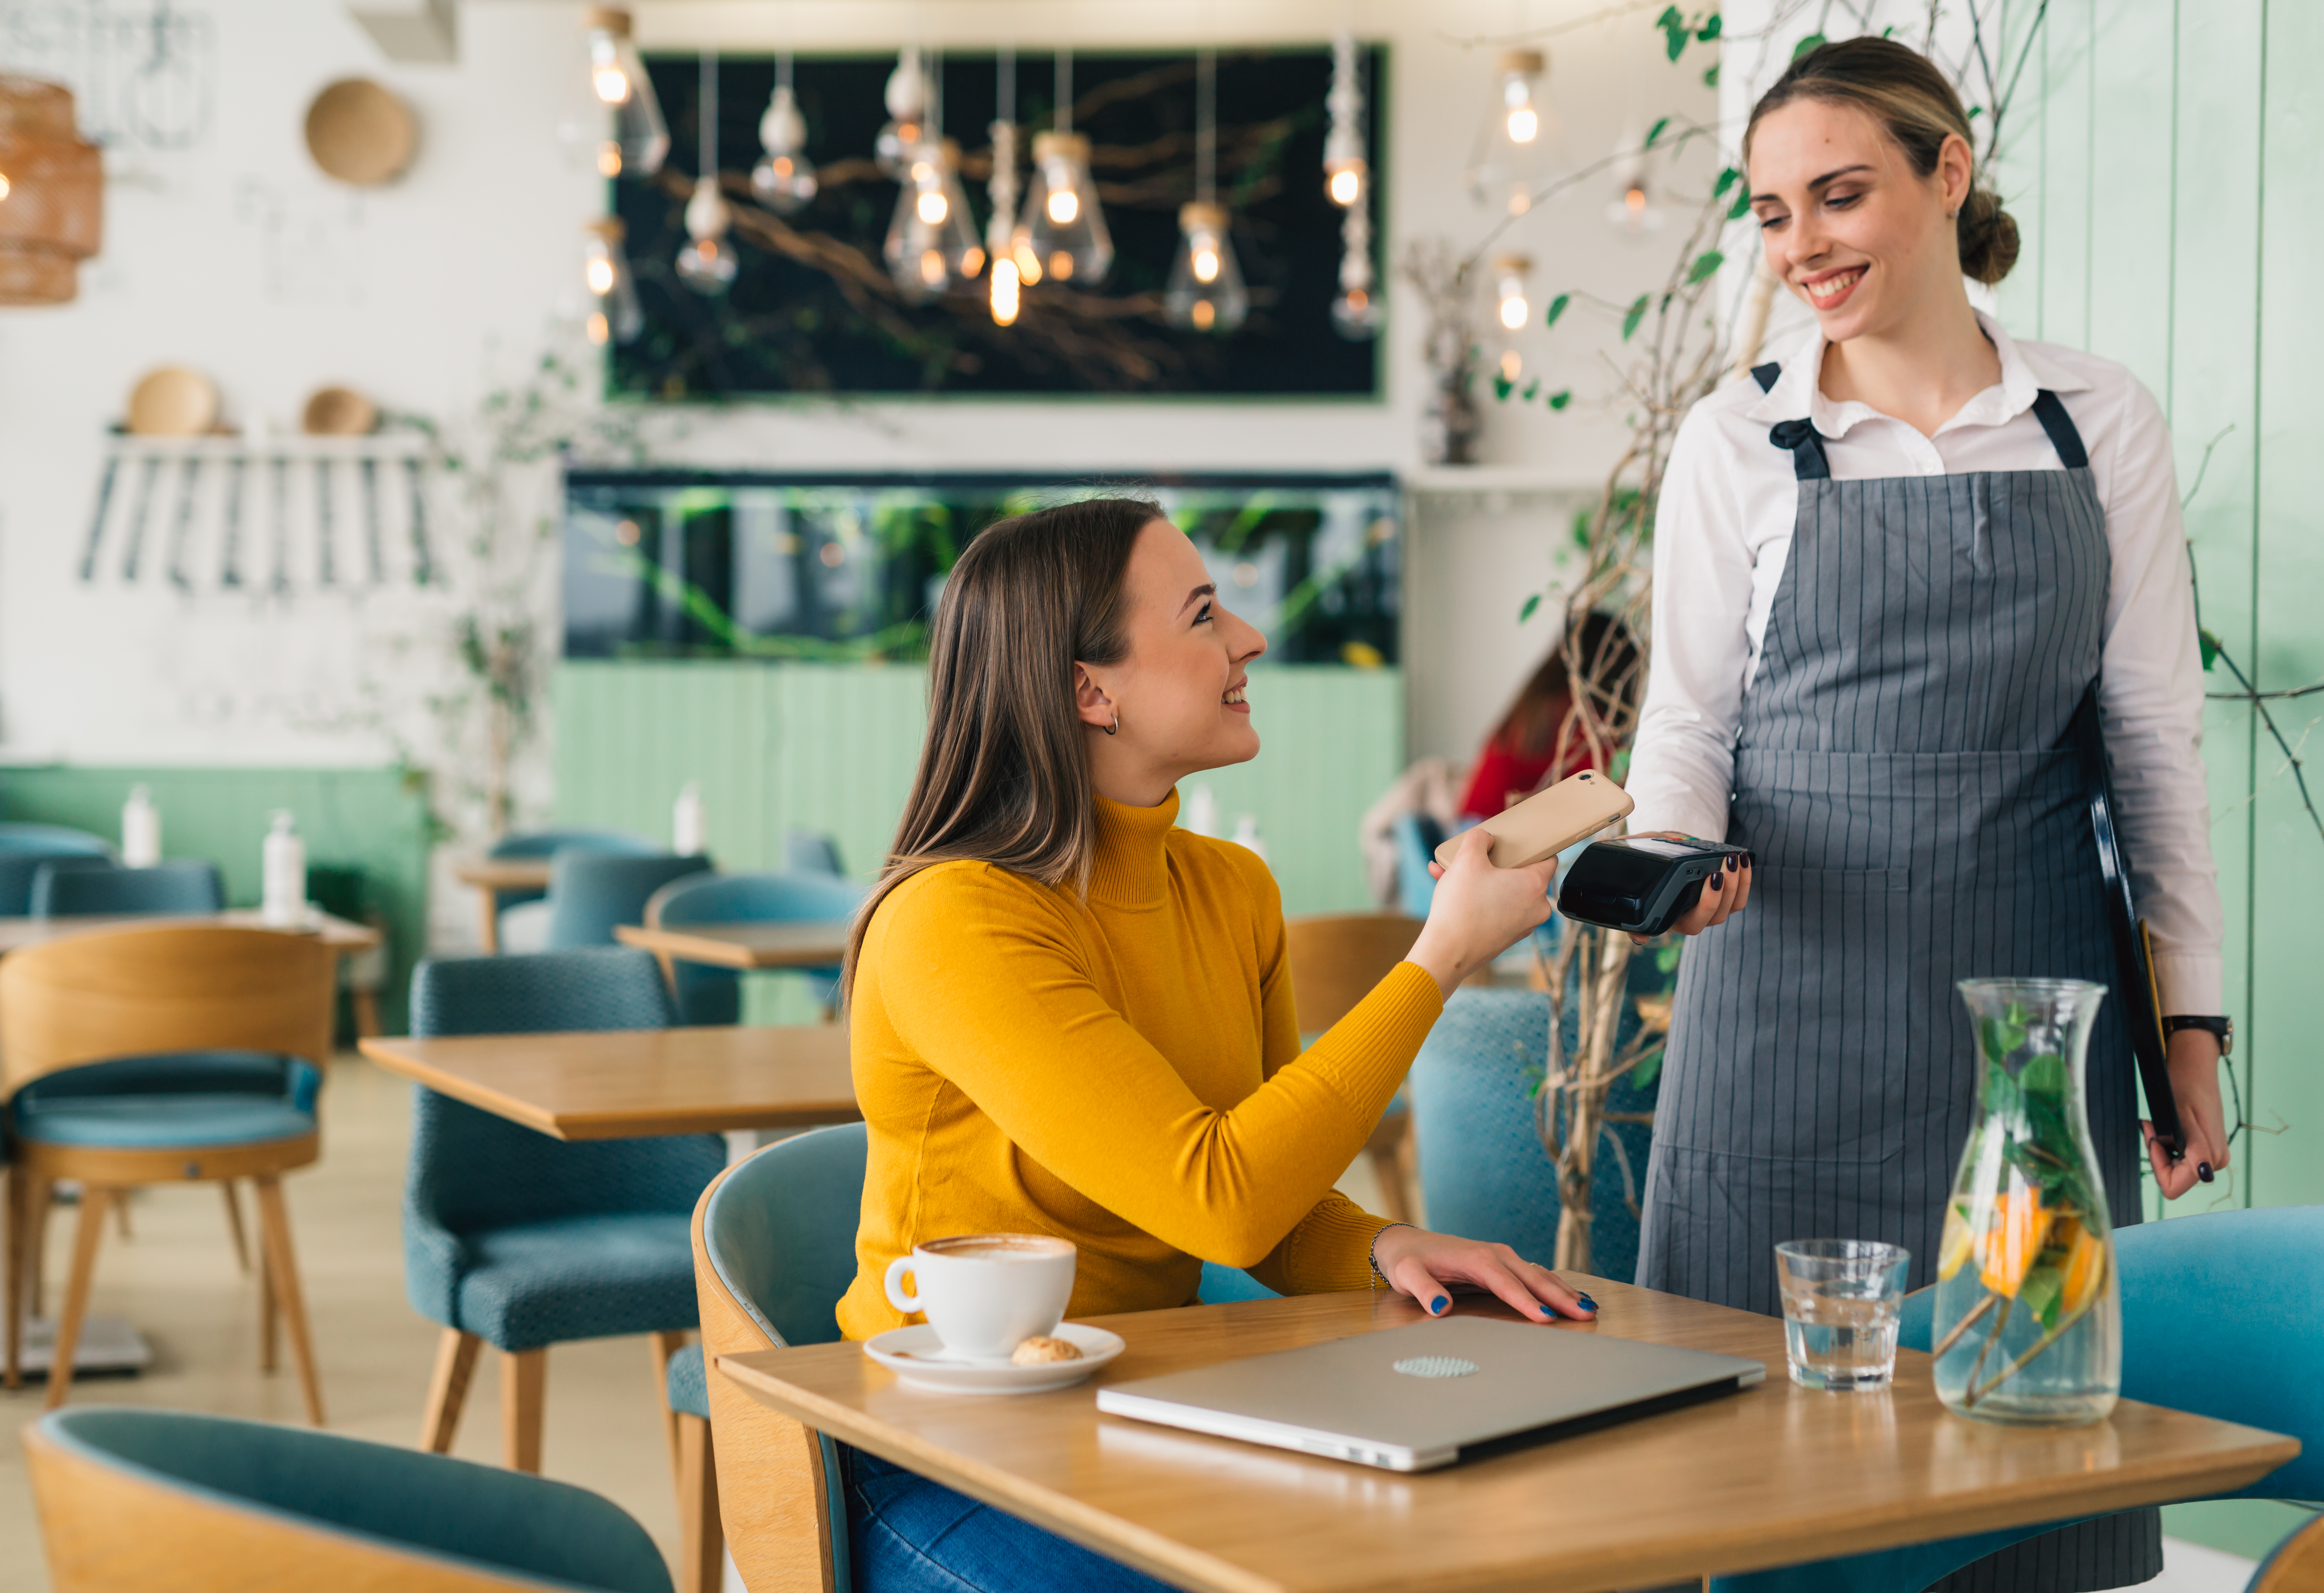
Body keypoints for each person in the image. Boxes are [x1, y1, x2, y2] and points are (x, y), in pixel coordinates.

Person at [1624, 37, 2230, 1592]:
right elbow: (1683, 729)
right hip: (1781, 1014)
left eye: (1838, 196)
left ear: (1944, 175)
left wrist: (2191, 1031)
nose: (1801, 245)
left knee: (2026, 1469)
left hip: (2028, 1015)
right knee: (1759, 1478)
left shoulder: (2096, 423)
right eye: (1769, 214)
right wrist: (1665, 872)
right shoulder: (1735, 440)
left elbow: (2151, 737)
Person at [836, 497, 1586, 1591]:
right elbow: (1219, 1195)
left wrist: (1381, 1246)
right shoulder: (956, 923)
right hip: (938, 1455)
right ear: (1093, 690)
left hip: (1146, 1414)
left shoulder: (1232, 891)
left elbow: (1265, 1194)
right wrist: (1442, 956)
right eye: (1202, 615)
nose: (1251, 639)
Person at [1457, 609, 1643, 821]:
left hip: (1467, 829)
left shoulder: (1539, 701)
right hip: (1488, 833)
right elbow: (1608, 784)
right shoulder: (1574, 711)